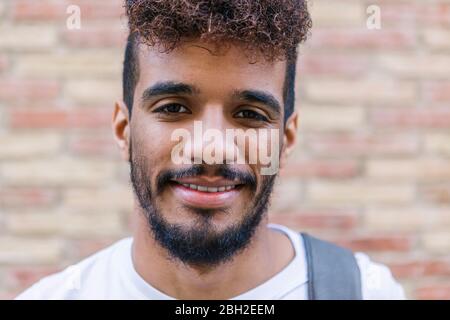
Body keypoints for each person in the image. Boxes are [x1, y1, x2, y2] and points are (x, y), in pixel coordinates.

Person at [16, 0, 405, 300]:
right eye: (173, 108)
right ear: (124, 130)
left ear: (285, 141)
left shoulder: (365, 291)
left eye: (250, 114)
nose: (211, 149)